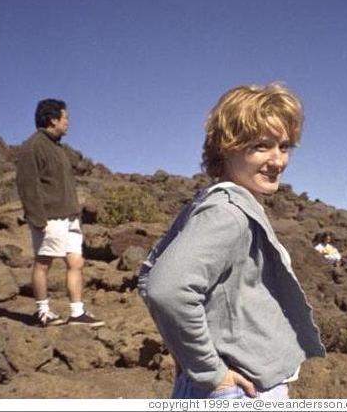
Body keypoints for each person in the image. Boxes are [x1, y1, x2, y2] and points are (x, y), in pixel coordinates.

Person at [138, 83, 325, 400]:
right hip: (240, 391)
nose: (278, 160)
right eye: (261, 146)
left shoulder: (224, 204)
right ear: (227, 147)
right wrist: (212, 373)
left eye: (284, 146)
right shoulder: (228, 213)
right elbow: (166, 289)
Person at [16, 99, 104, 328]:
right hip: (50, 217)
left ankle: (76, 312)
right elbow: (27, 185)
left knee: (76, 261)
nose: (68, 122)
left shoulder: (58, 148)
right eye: (65, 118)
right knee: (44, 262)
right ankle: (43, 312)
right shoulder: (33, 146)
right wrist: (37, 219)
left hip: (70, 217)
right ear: (52, 119)